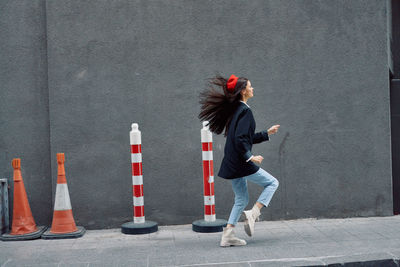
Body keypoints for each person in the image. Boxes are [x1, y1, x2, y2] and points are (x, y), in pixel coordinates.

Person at [199, 74, 280, 247]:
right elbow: (240, 138)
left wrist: (267, 133)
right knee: (272, 183)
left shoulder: (237, 110)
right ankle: (254, 213)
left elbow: (245, 137)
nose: (252, 89)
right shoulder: (245, 111)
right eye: (250, 86)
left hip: (232, 162)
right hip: (241, 162)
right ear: (243, 91)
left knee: (241, 198)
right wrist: (250, 157)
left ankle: (228, 234)